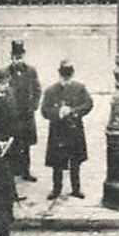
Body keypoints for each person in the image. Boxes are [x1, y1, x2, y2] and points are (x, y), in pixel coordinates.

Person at [40, 60, 93, 200]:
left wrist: (73, 111)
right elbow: (44, 111)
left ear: (72, 75)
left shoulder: (80, 88)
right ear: (59, 75)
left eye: (68, 77)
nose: (66, 80)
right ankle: (56, 189)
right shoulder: (51, 91)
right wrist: (58, 113)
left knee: (75, 161)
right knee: (57, 162)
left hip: (74, 130)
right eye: (64, 77)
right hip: (58, 131)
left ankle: (76, 189)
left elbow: (88, 104)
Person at [7, 40, 42, 182]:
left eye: (20, 57)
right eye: (15, 58)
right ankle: (14, 171)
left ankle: (25, 171)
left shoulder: (31, 71)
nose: (18, 60)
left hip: (27, 114)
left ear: (24, 56)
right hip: (13, 114)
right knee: (13, 142)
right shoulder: (6, 72)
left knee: (26, 144)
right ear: (11, 57)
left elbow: (38, 89)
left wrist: (34, 105)